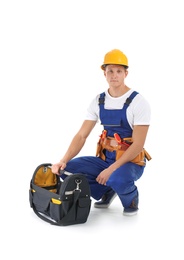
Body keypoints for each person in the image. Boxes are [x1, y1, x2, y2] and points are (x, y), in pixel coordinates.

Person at [51, 49, 151, 216]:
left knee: (116, 178)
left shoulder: (138, 102)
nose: (114, 75)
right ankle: (106, 192)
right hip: (106, 158)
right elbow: (82, 135)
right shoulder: (99, 100)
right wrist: (63, 160)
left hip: (131, 161)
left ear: (126, 73)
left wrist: (111, 169)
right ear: (104, 73)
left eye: (119, 71)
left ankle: (131, 199)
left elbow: (138, 144)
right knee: (67, 171)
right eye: (110, 71)